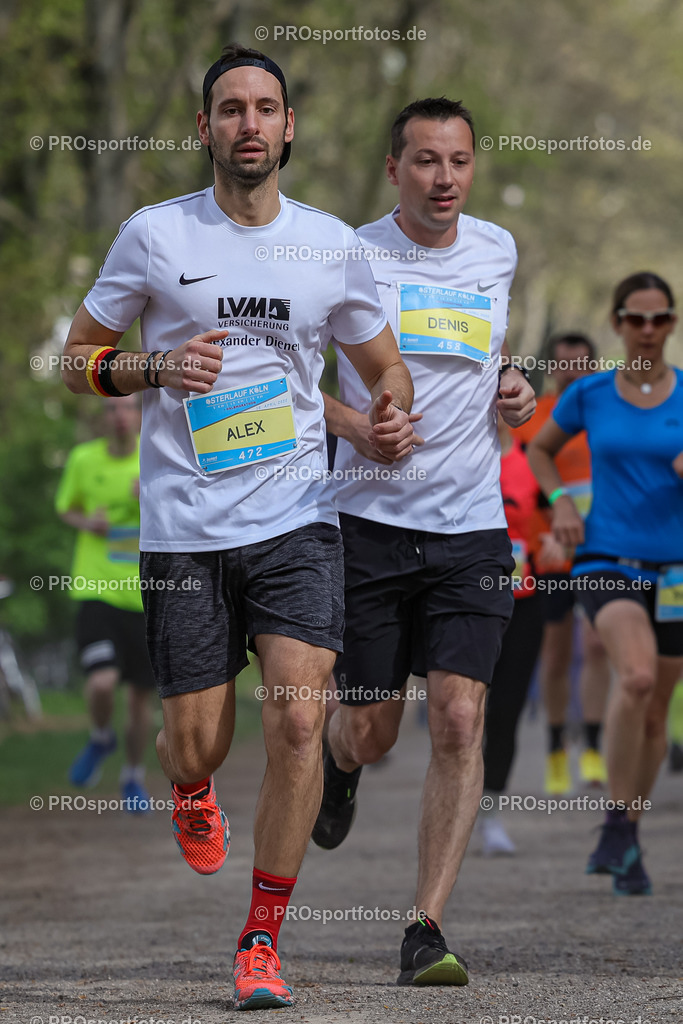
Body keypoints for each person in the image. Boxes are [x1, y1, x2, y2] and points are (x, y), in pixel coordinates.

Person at [60, 44, 414, 1011]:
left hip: (297, 514)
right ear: (206, 129)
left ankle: (261, 937)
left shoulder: (330, 244)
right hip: (183, 526)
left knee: (302, 716)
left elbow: (384, 366)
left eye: (265, 107)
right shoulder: (152, 236)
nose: (249, 123)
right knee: (197, 744)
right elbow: (75, 359)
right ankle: (185, 786)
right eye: (230, 109)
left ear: (289, 127)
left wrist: (388, 405)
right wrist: (152, 371)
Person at [315, 97, 535, 985]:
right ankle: (339, 761)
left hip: (471, 527)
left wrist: (513, 387)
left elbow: (488, 355)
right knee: (372, 730)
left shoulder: (496, 248)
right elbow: (290, 380)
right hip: (367, 526)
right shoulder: (348, 254)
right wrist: (355, 427)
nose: (443, 179)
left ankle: (424, 929)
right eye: (424, 162)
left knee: (456, 716)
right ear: (393, 168)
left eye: (458, 162)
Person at [527, 271, 683, 895]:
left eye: (660, 318)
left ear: (671, 324)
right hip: (606, 559)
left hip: (676, 572)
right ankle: (617, 822)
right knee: (636, 676)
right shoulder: (590, 393)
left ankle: (628, 834)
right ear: (617, 324)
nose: (648, 329)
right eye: (635, 318)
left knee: (654, 716)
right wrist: (561, 501)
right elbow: (538, 451)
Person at [515, 333, 610, 794]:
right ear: (552, 368)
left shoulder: (609, 410)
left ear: (593, 367)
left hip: (601, 551)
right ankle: (556, 749)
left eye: (581, 364)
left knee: (596, 646)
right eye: (563, 364)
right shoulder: (534, 419)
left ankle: (592, 747)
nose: (572, 371)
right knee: (555, 654)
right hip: (550, 552)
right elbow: (518, 483)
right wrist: (545, 534)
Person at [56, 394, 155, 810]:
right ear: (103, 417)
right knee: (101, 681)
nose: (120, 416)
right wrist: (87, 522)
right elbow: (66, 509)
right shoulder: (83, 459)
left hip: (145, 595)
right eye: (112, 408)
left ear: (139, 414)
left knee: (138, 702)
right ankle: (100, 737)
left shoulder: (155, 458)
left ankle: (133, 776)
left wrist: (152, 496)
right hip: (95, 588)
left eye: (129, 407)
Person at [479, 415, 565, 855]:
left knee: (505, 712)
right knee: (459, 710)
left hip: (522, 600)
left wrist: (556, 542)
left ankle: (489, 812)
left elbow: (558, 525)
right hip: (464, 601)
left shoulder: (533, 461)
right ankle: (451, 798)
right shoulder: (456, 452)